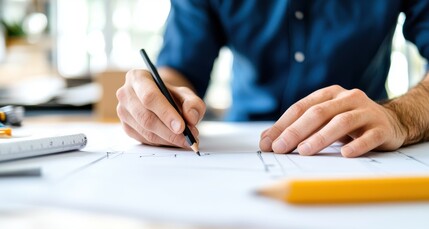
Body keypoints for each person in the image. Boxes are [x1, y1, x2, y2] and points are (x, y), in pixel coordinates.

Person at [116, 0, 429, 157]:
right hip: (241, 149)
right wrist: (158, 101)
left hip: (362, 144)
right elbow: (179, 69)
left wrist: (400, 117)